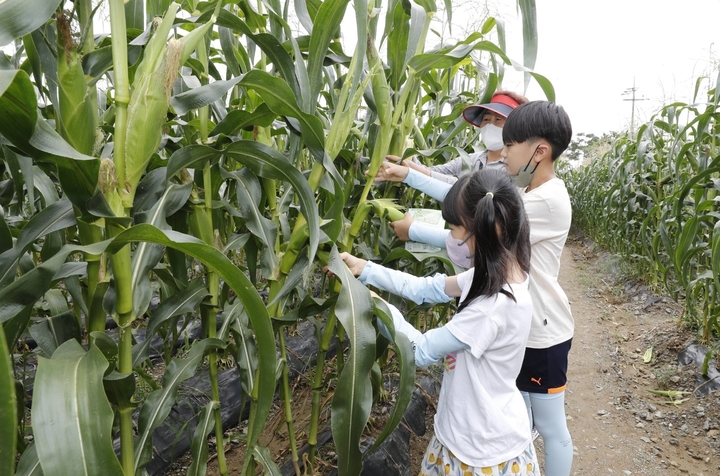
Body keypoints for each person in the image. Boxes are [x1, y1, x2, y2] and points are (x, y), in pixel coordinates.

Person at [373, 101, 575, 476]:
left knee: (550, 428)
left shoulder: (545, 201)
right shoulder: (524, 190)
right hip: (516, 327)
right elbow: (473, 197)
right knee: (519, 415)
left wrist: (414, 229)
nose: (505, 154)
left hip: (542, 333)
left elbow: (478, 216)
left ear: (539, 151)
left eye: (511, 145)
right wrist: (410, 175)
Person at [338, 169, 540, 475]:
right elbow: (426, 289)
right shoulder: (500, 275)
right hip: (475, 425)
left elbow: (420, 350)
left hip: (478, 450)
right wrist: (365, 269)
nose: (451, 237)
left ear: (482, 230)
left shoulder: (491, 307)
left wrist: (373, 304)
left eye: (454, 228)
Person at [397, 90, 529, 185]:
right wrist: (407, 156)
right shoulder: (470, 159)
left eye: (499, 119)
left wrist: (419, 172)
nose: (490, 124)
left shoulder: (515, 168)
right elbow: (432, 172)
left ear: (514, 126)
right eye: (486, 118)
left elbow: (470, 191)